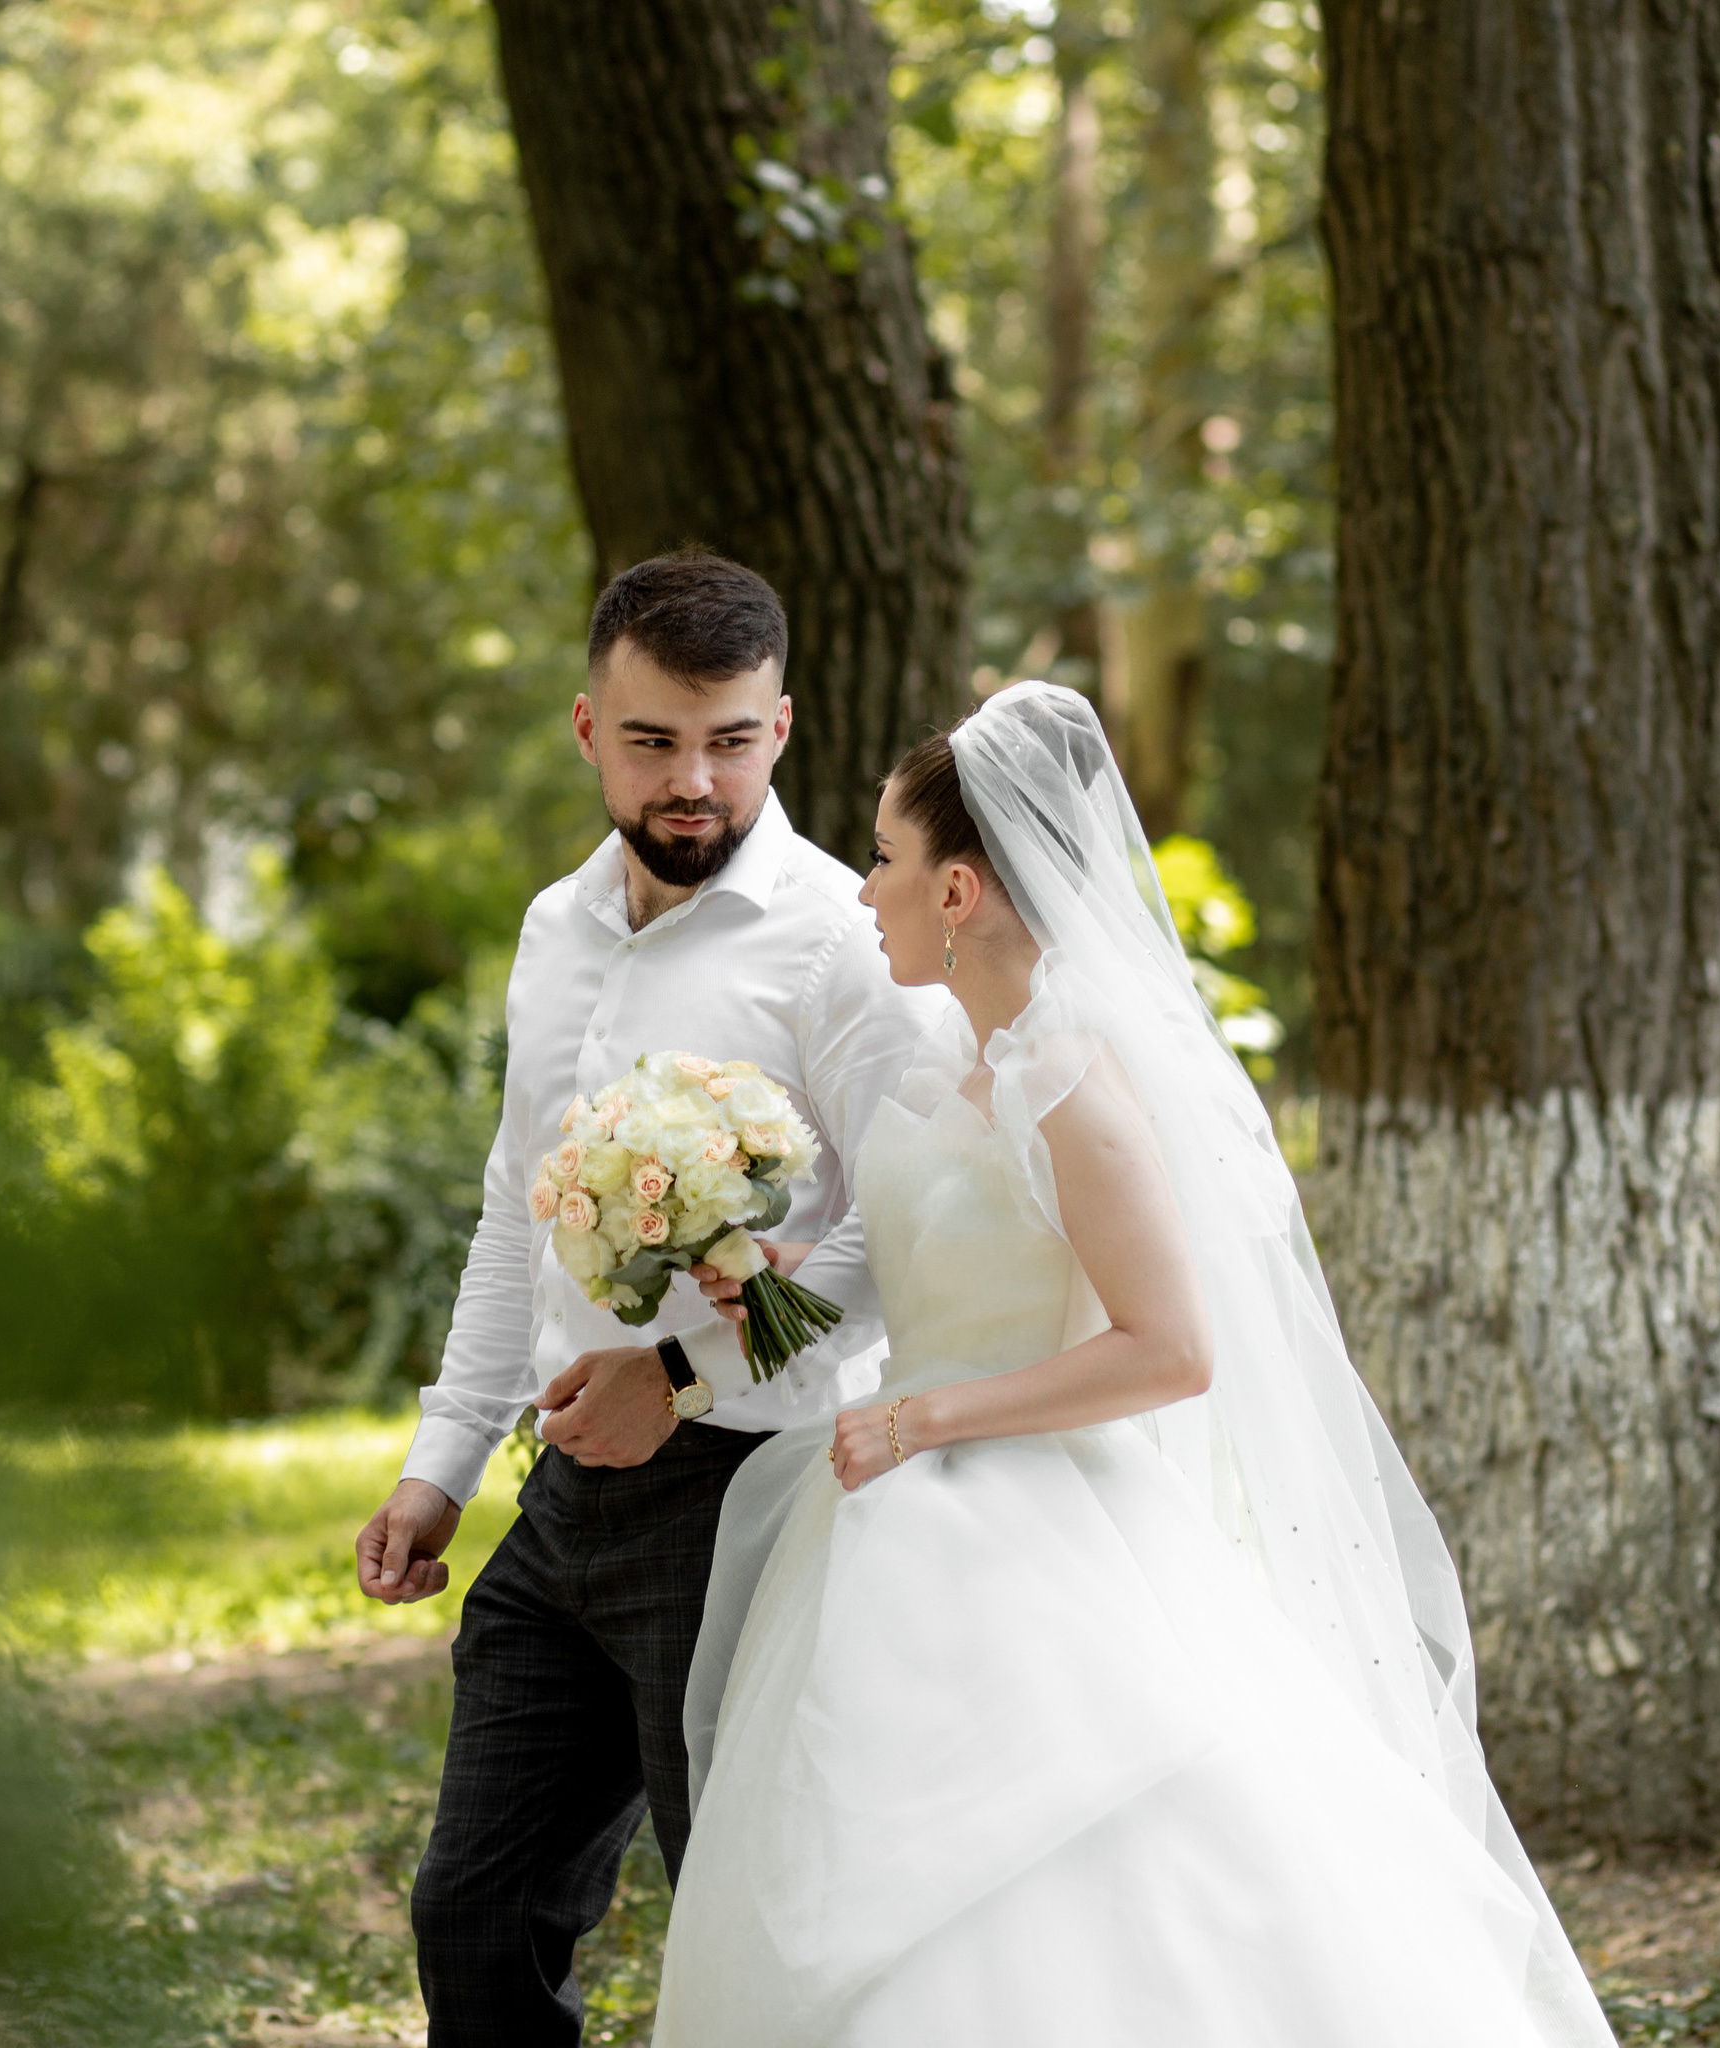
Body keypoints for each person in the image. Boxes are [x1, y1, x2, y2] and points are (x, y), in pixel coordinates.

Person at [652, 680, 1617, 2046]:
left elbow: (1171, 1349)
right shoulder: (959, 1067)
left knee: (1095, 1862)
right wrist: (762, 1293)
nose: (867, 889)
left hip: (1034, 1522)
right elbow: (936, 1273)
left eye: (886, 858)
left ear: (963, 889)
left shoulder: (1074, 1083)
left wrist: (929, 1420)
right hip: (892, 1524)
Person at [352, 549, 945, 2048]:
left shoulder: (843, 942)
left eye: (731, 741)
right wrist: (440, 1465)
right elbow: (515, 1212)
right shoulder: (554, 932)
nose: (696, 781)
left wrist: (675, 1375)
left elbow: (901, 1239)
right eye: (654, 741)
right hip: (564, 1502)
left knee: (744, 1933)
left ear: (784, 728)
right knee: (473, 1913)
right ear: (585, 728)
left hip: (754, 1494)